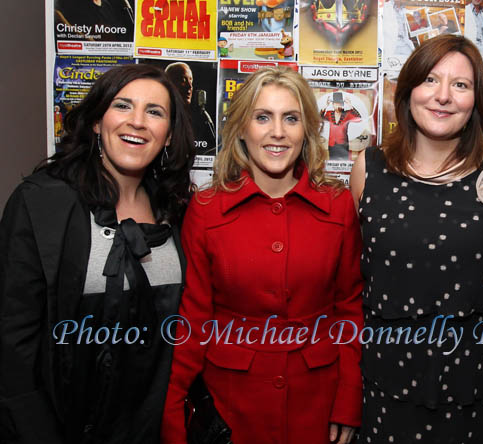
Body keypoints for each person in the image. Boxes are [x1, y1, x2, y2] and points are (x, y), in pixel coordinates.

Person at [160, 66, 363, 444]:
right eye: (262, 117)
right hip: (232, 405)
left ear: (307, 130)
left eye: (291, 118)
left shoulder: (337, 205)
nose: (277, 132)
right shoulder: (206, 208)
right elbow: (193, 321)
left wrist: (348, 401)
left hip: (316, 405)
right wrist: (173, 417)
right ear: (241, 127)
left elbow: (349, 309)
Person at [0, 64, 194, 444]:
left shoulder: (176, 210)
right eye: (123, 106)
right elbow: (12, 345)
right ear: (95, 121)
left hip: (151, 429)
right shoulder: (41, 203)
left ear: (168, 135)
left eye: (154, 112)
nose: (137, 122)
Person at [350, 34, 483, 443]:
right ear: (408, 92)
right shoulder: (369, 169)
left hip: (474, 389)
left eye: (460, 85)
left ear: (476, 100)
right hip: (389, 386)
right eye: (430, 80)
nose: (443, 96)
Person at [164, 62, 216, 155]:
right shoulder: (160, 116)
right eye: (183, 80)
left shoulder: (201, 116)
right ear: (169, 83)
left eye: (190, 80)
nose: (190, 86)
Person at [321, 92, 363, 161]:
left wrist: (350, 105)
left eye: (340, 103)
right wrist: (325, 106)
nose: (338, 105)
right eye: (336, 103)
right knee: (332, 164)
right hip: (331, 145)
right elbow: (319, 119)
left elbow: (359, 119)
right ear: (333, 104)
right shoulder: (329, 113)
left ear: (343, 104)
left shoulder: (348, 113)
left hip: (343, 145)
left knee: (344, 164)